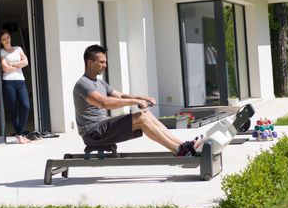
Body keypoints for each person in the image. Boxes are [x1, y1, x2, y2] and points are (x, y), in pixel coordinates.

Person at [73, 44, 202, 156]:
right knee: (141, 118)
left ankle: (182, 145)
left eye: (105, 62)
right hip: (93, 132)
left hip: (102, 128)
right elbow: (104, 102)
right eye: (101, 62)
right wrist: (135, 102)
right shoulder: (83, 84)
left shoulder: (101, 83)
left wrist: (142, 98)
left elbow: (120, 96)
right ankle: (178, 150)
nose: (105, 65)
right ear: (90, 62)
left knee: (145, 114)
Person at [0, 29, 31, 144]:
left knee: (26, 106)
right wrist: (19, 65)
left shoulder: (18, 49)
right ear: (0, 41)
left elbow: (26, 62)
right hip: (8, 82)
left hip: (21, 81)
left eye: (7, 37)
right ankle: (20, 135)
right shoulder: (1, 52)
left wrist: (12, 64)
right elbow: (5, 68)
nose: (6, 40)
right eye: (3, 39)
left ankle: (20, 133)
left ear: (10, 37)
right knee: (13, 110)